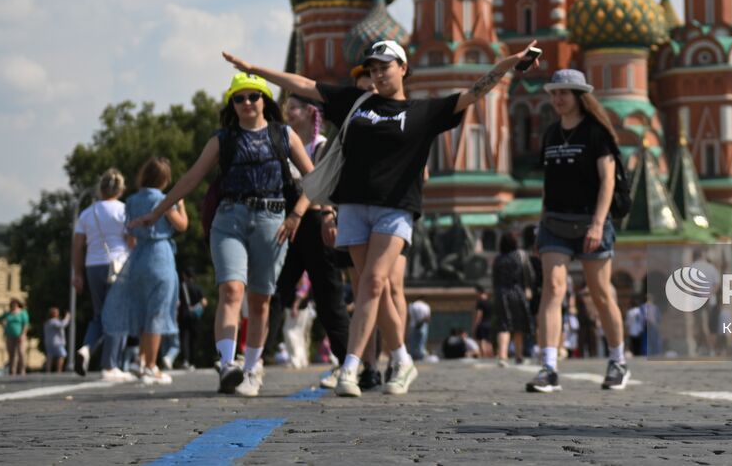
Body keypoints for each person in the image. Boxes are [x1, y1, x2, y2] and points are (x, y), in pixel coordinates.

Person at [221, 38, 538, 398]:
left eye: (385, 67)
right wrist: (254, 71)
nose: (378, 74)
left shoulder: (423, 112)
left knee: (373, 282)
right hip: (353, 207)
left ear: (403, 68)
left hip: (395, 208)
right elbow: (305, 85)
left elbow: (472, 94)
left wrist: (508, 63)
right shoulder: (356, 103)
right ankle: (402, 359)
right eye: (373, 68)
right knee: (376, 289)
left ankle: (351, 366)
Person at [131, 73, 314, 397]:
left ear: (264, 101)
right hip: (229, 217)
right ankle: (228, 364)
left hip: (273, 219)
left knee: (259, 300)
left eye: (252, 97)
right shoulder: (222, 139)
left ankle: (252, 370)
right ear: (232, 104)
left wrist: (297, 214)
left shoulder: (283, 134)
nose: (246, 103)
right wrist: (156, 213)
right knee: (231, 289)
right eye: (239, 98)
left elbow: (316, 179)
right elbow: (190, 179)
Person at [525, 69, 630, 393]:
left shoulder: (596, 133)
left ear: (579, 97)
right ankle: (548, 366)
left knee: (600, 293)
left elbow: (608, 181)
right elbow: (549, 185)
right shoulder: (552, 134)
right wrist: (541, 225)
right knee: (553, 290)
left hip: (590, 223)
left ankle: (617, 360)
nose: (557, 99)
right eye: (554, 93)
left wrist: (599, 224)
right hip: (555, 223)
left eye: (564, 94)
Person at [272, 93, 350, 391]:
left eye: (294, 108)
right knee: (277, 292)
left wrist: (297, 213)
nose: (289, 113)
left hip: (314, 224)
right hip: (289, 226)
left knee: (329, 297)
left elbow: (318, 184)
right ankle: (253, 356)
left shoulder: (320, 146)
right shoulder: (286, 144)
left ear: (310, 112)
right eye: (287, 108)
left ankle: (347, 361)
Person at [103, 157, 187, 386]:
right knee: (157, 313)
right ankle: (151, 365)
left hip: (139, 257)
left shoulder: (131, 200)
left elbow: (128, 234)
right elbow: (182, 225)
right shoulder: (166, 199)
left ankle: (141, 361)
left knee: (141, 312)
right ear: (165, 178)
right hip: (160, 256)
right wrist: (180, 204)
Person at [72, 168, 131, 380]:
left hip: (92, 266)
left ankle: (85, 349)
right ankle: (111, 365)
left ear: (101, 188)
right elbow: (130, 240)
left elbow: (78, 246)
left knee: (99, 315)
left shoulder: (87, 213)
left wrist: (77, 274)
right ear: (121, 189)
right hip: (118, 265)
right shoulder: (124, 211)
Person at [491, 232, 533, 366]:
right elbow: (529, 274)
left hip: (501, 293)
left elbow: (494, 279)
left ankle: (502, 356)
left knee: (504, 325)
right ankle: (518, 355)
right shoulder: (521, 256)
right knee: (518, 325)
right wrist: (528, 287)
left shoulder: (498, 259)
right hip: (517, 292)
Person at [177, 269, 206, 370]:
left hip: (183, 315)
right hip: (195, 317)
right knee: (194, 339)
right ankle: (193, 362)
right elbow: (204, 302)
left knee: (184, 338)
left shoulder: (181, 287)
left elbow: (177, 302)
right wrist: (196, 308)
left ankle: (185, 360)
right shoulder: (198, 288)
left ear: (184, 276)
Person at [0, 299, 29, 375]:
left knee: (21, 352)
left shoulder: (22, 313)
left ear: (18, 304)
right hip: (9, 335)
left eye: (14, 304)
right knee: (11, 353)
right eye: (11, 304)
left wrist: (23, 334)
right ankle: (12, 370)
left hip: (20, 335)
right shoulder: (8, 313)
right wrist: (3, 325)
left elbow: (25, 324)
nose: (13, 305)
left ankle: (22, 370)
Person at [44, 308, 71, 373]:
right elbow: (62, 325)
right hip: (57, 343)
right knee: (62, 355)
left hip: (49, 342)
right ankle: (59, 370)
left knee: (50, 357)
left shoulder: (47, 322)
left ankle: (48, 371)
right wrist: (67, 317)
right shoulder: (54, 321)